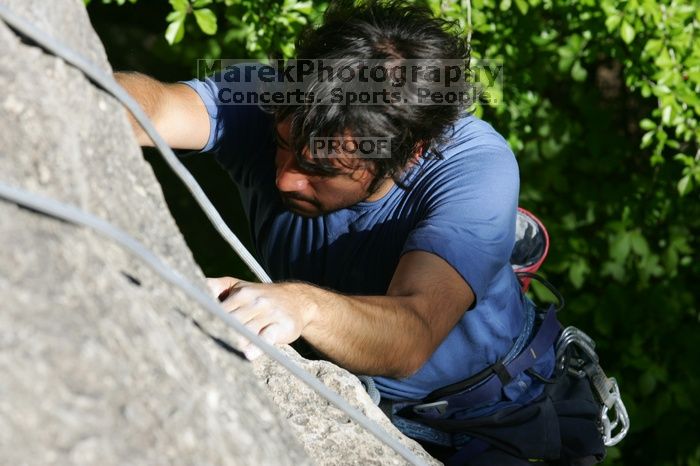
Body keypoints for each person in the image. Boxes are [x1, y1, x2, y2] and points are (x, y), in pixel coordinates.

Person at [116, 1, 606, 464]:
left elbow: (411, 335)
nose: (286, 177)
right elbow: (158, 106)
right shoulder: (269, 99)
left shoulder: (471, 166)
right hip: (354, 389)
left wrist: (300, 306)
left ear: (409, 154)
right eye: (281, 144)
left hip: (483, 416)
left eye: (321, 167)